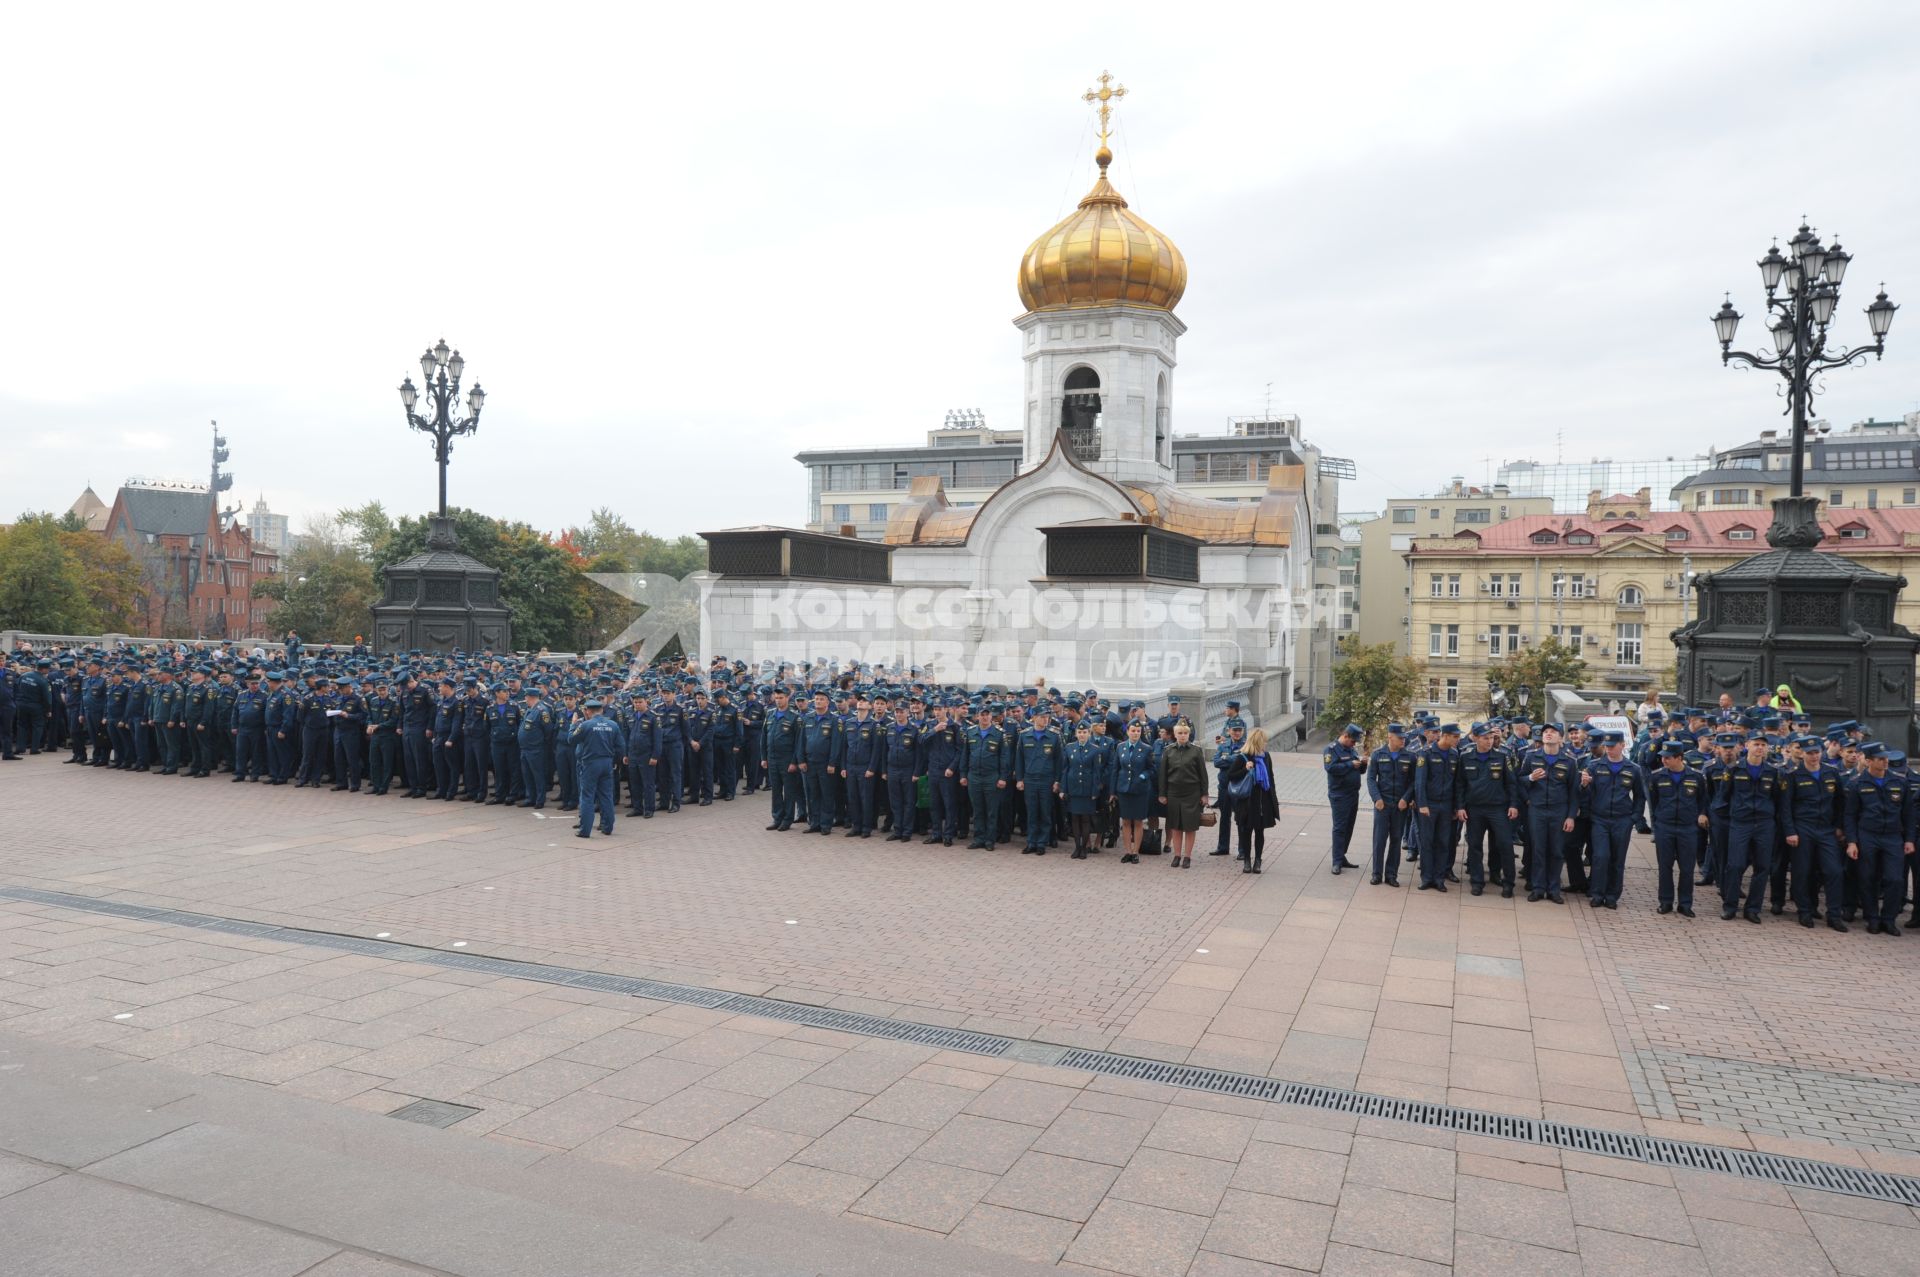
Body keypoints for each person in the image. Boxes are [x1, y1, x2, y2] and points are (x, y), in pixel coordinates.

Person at [1644, 741, 1708, 916]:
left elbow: (1703, 800)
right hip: (1665, 827)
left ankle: (1685, 904)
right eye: (1662, 757)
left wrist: (1701, 814)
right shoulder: (1656, 777)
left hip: (1688, 828)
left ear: (1679, 758)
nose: (1664, 760)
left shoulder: (1696, 777)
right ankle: (1665, 902)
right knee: (1665, 867)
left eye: (1668, 757)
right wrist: (1657, 825)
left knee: (1687, 868)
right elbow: (1654, 802)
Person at [1455, 722, 1519, 897]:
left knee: (1505, 845)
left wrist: (1513, 805)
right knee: (1474, 846)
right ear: (1475, 738)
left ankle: (1508, 883)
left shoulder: (1502, 756)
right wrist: (1460, 807)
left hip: (1498, 808)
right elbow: (1460, 784)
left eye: (1492, 738)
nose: (1489, 741)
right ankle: (1477, 882)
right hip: (1475, 809)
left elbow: (1511, 783)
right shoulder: (1466, 757)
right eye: (1485, 738)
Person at [1366, 722, 1415, 886]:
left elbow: (1413, 781)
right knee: (1379, 840)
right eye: (1400, 738)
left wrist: (1406, 799)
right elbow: (1371, 779)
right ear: (1390, 737)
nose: (1403, 741)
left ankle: (1391, 874)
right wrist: (1376, 798)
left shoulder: (1409, 756)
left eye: (1404, 738)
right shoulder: (1378, 754)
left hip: (1400, 806)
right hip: (1383, 804)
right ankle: (1376, 874)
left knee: (1396, 840)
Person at [1223, 728, 1278, 873]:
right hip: (1247, 802)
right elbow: (1230, 775)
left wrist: (1274, 801)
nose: (1265, 744)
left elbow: (1270, 778)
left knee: (1260, 832)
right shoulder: (1243, 757)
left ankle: (1258, 860)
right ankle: (1247, 860)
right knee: (1246, 831)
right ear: (1257, 741)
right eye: (1264, 741)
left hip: (1262, 801)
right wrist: (1245, 770)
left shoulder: (1266, 756)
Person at [1156, 721, 1208, 869]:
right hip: (1173, 793)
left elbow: (1203, 774)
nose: (1183, 736)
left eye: (1185, 733)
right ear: (1175, 734)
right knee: (1175, 825)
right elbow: (1163, 774)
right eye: (1180, 733)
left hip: (1192, 793)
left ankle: (1187, 856)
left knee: (1190, 826)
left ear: (1189, 734)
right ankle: (1177, 855)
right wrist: (1162, 794)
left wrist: (1204, 794)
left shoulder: (1196, 751)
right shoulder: (1168, 750)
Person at [571, 697, 622, 838]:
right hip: (607, 763)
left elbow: (571, 739)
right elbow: (621, 746)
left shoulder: (585, 725)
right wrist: (615, 761)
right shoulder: (613, 725)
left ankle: (585, 830)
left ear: (588, 711)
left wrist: (573, 725)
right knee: (606, 796)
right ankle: (607, 827)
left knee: (587, 796)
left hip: (590, 763)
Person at [1323, 723, 1365, 874]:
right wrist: (1350, 764)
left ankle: (1342, 856)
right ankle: (1336, 861)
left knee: (1349, 826)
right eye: (1353, 741)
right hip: (1339, 795)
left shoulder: (1351, 749)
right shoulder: (1331, 749)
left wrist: (1362, 764)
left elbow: (1359, 771)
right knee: (1340, 828)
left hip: (1353, 793)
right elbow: (1330, 768)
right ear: (1346, 736)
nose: (1354, 744)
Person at [1110, 720, 1154, 864]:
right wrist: (1113, 791)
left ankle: (1136, 852)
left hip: (1139, 789)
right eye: (1133, 731)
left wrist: (1143, 776)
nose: (1135, 733)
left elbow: (1152, 769)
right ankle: (1128, 851)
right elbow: (1115, 770)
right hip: (1123, 789)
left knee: (1138, 821)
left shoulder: (1146, 748)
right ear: (1127, 731)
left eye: (1138, 731)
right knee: (1126, 821)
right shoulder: (1120, 747)